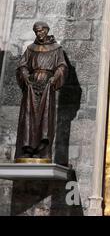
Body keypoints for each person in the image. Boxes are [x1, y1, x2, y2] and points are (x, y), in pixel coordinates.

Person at [15, 22, 67, 161]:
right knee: (29, 118)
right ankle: (27, 149)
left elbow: (62, 66)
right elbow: (22, 65)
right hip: (31, 87)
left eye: (41, 31)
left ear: (46, 30)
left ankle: (42, 150)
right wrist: (25, 75)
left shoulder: (56, 49)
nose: (39, 34)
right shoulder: (31, 49)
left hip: (47, 87)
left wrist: (55, 77)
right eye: (36, 32)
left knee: (45, 118)